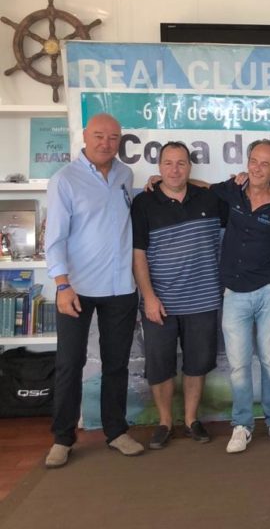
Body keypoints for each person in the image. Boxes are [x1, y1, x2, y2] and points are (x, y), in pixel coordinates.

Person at [44, 113, 143, 468]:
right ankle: (63, 438)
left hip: (120, 287)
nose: (106, 143)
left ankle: (116, 432)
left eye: (113, 137)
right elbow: (54, 238)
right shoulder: (64, 180)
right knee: (70, 364)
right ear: (85, 136)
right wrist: (62, 284)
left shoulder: (125, 175)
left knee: (116, 365)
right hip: (77, 289)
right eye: (99, 135)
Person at [131, 142, 225, 449]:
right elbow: (138, 254)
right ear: (159, 167)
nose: (174, 169)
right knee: (160, 366)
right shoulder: (143, 203)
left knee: (197, 364)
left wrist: (196, 183)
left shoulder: (210, 199)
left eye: (181, 163)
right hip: (160, 302)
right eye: (168, 163)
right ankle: (165, 423)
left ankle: (191, 420)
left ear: (190, 167)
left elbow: (238, 198)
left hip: (203, 299)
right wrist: (149, 297)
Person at [210, 140, 270, 453]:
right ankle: (242, 425)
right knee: (239, 365)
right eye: (253, 161)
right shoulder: (232, 190)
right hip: (234, 293)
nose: (257, 168)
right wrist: (159, 180)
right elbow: (199, 189)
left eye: (265, 163)